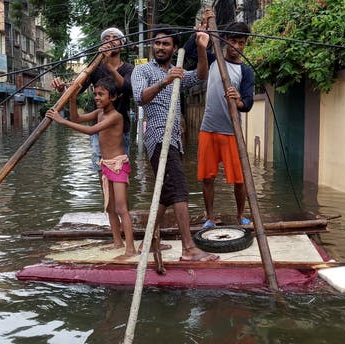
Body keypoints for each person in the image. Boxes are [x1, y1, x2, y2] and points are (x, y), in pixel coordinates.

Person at [131, 24, 219, 262]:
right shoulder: (143, 71)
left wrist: (202, 48)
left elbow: (201, 75)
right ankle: (189, 248)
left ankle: (147, 244)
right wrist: (165, 81)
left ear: (174, 48)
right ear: (152, 46)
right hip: (158, 138)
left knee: (165, 194)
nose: (160, 47)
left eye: (166, 44)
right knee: (179, 189)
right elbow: (140, 98)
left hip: (175, 140)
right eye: (157, 43)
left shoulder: (178, 72)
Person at [46, 77, 136, 259]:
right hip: (105, 166)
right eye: (95, 94)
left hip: (118, 165)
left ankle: (130, 249)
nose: (96, 97)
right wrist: (72, 98)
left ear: (113, 97)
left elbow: (90, 130)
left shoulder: (115, 117)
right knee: (110, 208)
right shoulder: (99, 113)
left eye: (101, 94)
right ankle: (117, 242)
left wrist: (61, 121)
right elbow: (76, 117)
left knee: (121, 208)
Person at [184, 8, 255, 227]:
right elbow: (190, 51)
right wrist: (201, 29)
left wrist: (238, 100)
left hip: (232, 131)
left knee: (239, 179)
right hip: (208, 129)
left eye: (242, 42)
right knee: (208, 177)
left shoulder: (246, 71)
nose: (238, 47)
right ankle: (210, 216)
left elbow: (248, 103)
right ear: (225, 40)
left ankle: (240, 215)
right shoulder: (213, 59)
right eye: (234, 41)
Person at [51, 27, 134, 172]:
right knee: (101, 171)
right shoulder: (95, 68)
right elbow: (76, 91)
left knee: (120, 171)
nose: (110, 41)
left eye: (114, 38)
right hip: (99, 129)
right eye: (106, 39)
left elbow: (128, 88)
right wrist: (62, 90)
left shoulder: (129, 69)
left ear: (122, 44)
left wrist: (109, 67)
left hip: (121, 130)